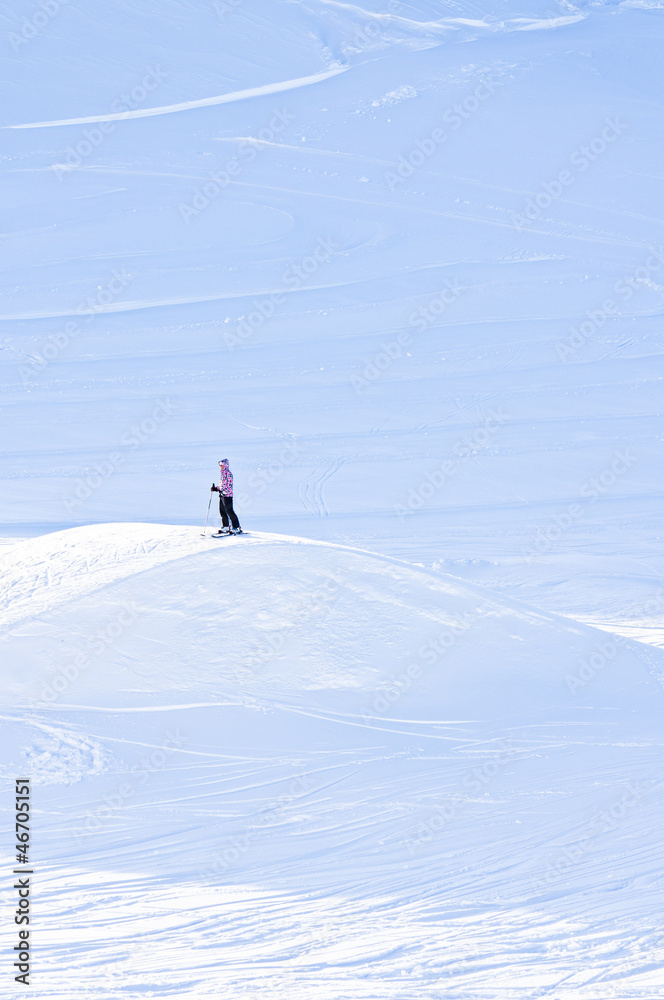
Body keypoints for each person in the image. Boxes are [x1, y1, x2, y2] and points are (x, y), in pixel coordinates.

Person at [211, 459, 242, 534]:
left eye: (222, 465)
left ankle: (236, 526)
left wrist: (223, 490)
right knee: (222, 510)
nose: (221, 466)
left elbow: (229, 485)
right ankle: (226, 526)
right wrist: (216, 488)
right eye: (220, 465)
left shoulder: (228, 473)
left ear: (226, 465)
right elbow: (222, 485)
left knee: (229, 511)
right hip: (222, 494)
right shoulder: (222, 473)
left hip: (227, 495)